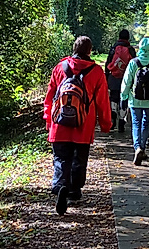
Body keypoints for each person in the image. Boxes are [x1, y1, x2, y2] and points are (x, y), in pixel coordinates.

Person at [43, 35, 112, 215]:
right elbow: (103, 101)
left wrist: (48, 120)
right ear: (90, 51)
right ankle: (74, 190)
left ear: (73, 48)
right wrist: (106, 124)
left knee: (60, 158)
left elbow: (50, 97)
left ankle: (60, 187)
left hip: (60, 124)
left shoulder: (59, 68)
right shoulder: (96, 72)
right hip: (83, 124)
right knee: (79, 159)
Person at [120, 36, 149, 166]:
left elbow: (127, 81)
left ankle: (137, 148)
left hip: (135, 100)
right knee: (146, 124)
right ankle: (143, 147)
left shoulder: (133, 63)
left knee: (136, 123)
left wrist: (123, 97)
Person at [105, 29, 134, 133]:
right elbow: (134, 64)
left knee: (113, 97)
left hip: (113, 77)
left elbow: (108, 62)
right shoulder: (130, 49)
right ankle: (122, 120)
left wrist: (107, 75)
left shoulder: (113, 48)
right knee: (124, 98)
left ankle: (113, 118)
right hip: (126, 78)